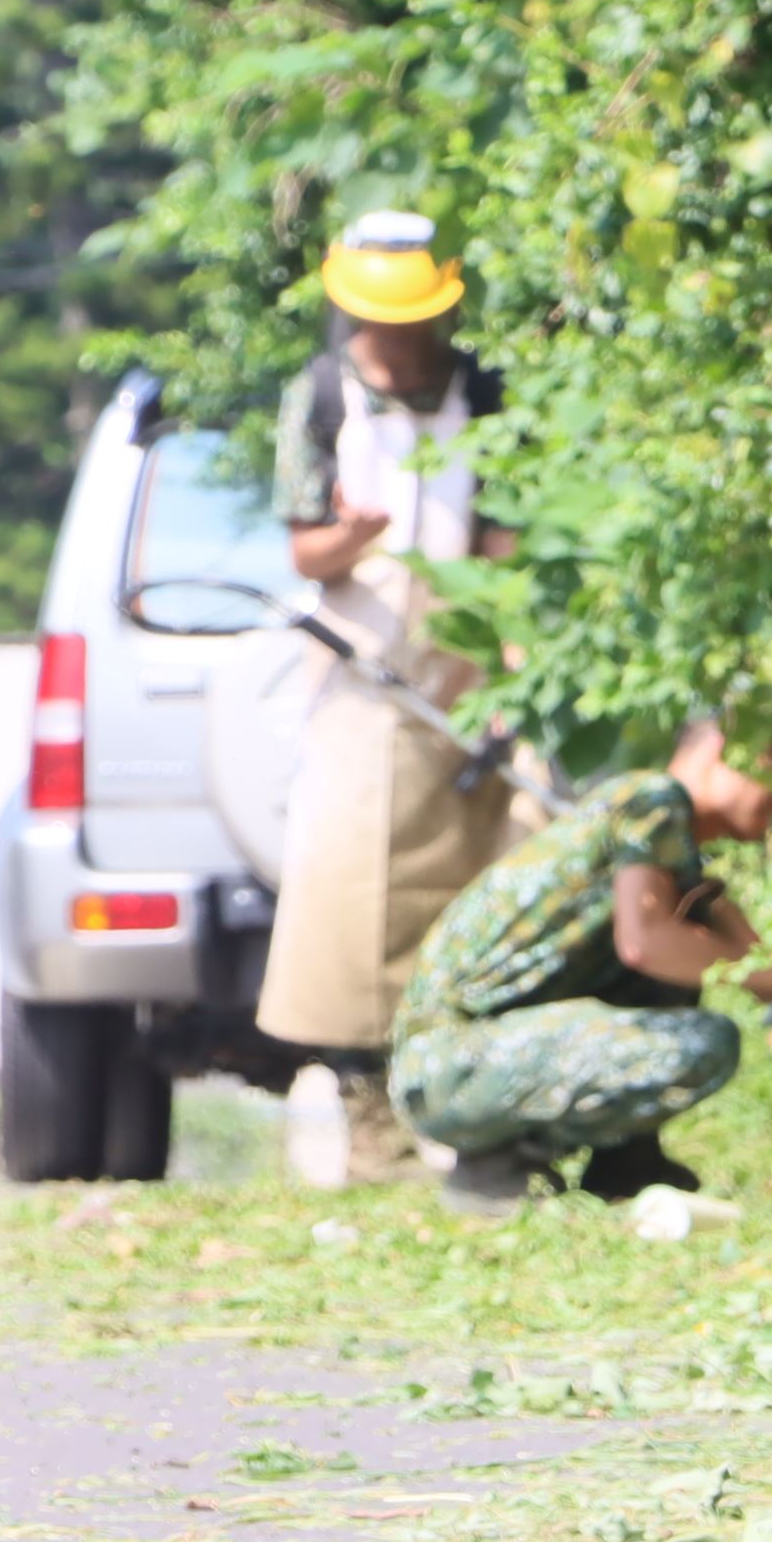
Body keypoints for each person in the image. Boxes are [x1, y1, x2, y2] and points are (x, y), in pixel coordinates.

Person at [252, 210, 527, 1169]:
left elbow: (505, 540)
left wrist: (512, 666)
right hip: (363, 669)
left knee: (483, 876)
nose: (400, 336)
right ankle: (374, 1117)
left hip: (465, 656)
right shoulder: (322, 394)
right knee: (350, 898)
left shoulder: (484, 390)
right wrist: (354, 535)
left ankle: (483, 1107)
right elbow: (304, 548)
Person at [387, 712, 772, 1211]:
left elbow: (746, 962)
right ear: (720, 750)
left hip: (475, 1059)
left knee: (673, 984)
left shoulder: (675, 858)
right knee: (703, 1040)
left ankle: (627, 1165)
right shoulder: (649, 798)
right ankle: (498, 1166)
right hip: (448, 1065)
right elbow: (646, 942)